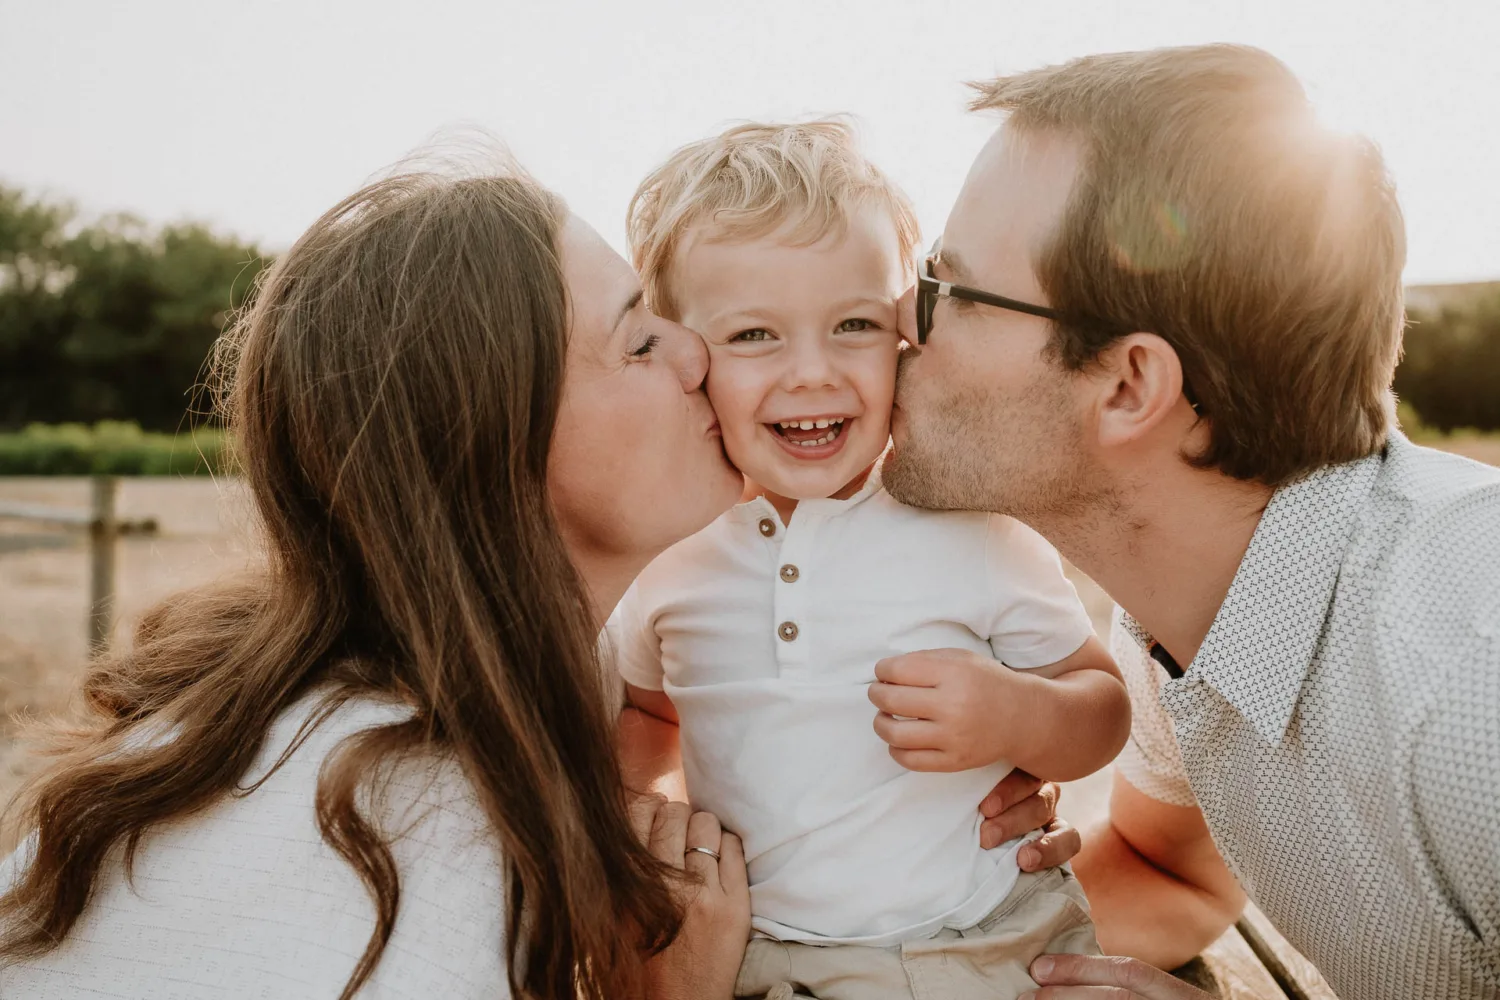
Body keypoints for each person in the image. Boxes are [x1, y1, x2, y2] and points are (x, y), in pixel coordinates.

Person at [0, 164, 755, 998]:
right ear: (494, 448)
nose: (696, 353)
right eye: (639, 340)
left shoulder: (285, 712)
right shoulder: (424, 836)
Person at [882, 44, 1500, 1000]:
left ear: (1130, 386)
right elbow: (1165, 871)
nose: (897, 324)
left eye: (947, 289)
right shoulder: (1196, 611)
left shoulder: (1470, 673)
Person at [611, 120, 1131, 1000]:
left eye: (853, 323)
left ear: (904, 332)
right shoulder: (671, 552)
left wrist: (1016, 713)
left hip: (981, 939)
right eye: (754, 337)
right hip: (764, 956)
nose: (812, 373)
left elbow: (1103, 708)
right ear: (686, 353)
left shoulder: (970, 525)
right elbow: (649, 718)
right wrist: (647, 833)